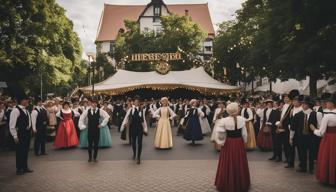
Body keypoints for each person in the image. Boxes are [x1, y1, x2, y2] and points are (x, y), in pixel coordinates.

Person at [213, 102, 250, 192]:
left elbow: (221, 135)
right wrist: (244, 142)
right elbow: (244, 134)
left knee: (227, 162)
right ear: (237, 110)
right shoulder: (241, 119)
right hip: (239, 143)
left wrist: (221, 142)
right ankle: (240, 183)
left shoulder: (224, 120)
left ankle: (226, 183)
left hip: (228, 143)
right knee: (239, 162)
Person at [292, 96, 322, 173]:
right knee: (302, 152)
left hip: (312, 136)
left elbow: (319, 126)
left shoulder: (316, 114)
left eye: (304, 104)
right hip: (301, 136)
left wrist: (317, 133)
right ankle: (303, 166)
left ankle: (311, 168)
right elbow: (293, 127)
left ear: (308, 105)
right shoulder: (298, 115)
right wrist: (291, 137)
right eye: (302, 104)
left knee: (312, 152)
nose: (302, 105)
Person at [310, 93, 336, 186]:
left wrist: (314, 130)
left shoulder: (327, 116)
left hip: (329, 139)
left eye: (328, 102)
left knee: (328, 157)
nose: (326, 104)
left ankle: (328, 178)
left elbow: (321, 132)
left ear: (332, 104)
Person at [9, 94, 33, 175]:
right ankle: (19, 169)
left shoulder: (26, 110)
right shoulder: (15, 110)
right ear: (21, 101)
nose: (27, 101)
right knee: (19, 152)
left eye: (27, 99)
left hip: (27, 133)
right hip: (20, 134)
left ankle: (25, 167)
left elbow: (29, 120)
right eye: (26, 99)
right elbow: (12, 125)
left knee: (26, 151)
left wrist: (29, 128)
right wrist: (15, 136)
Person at [121, 98, 148, 164]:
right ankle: (134, 153)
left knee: (139, 143)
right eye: (135, 102)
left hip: (139, 128)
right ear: (133, 103)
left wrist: (145, 129)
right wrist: (124, 124)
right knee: (133, 142)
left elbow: (143, 120)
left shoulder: (142, 110)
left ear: (138, 103)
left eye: (137, 102)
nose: (136, 103)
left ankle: (138, 157)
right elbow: (126, 118)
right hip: (132, 128)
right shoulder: (130, 109)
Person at [286, 94, 303, 168]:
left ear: (299, 102)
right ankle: (291, 163)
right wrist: (289, 126)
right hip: (291, 130)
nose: (293, 102)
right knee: (291, 147)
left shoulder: (302, 109)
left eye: (295, 101)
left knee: (300, 148)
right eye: (293, 101)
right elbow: (290, 119)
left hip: (299, 132)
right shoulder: (292, 109)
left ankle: (301, 163)